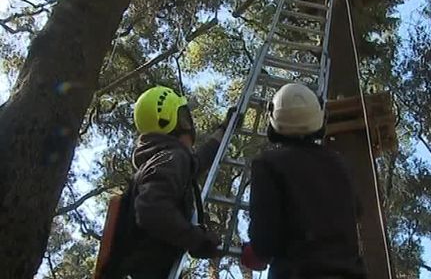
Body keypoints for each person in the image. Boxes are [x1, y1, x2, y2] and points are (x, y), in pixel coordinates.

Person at [102, 85, 232, 279]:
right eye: (185, 119)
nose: (190, 126)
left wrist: (224, 129)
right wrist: (197, 240)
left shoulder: (162, 161)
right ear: (172, 122)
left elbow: (198, 162)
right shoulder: (172, 158)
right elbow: (152, 210)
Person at [241, 83, 366, 279]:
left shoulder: (267, 164)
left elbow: (265, 242)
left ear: (273, 123)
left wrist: (253, 252)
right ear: (319, 119)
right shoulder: (341, 164)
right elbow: (356, 211)